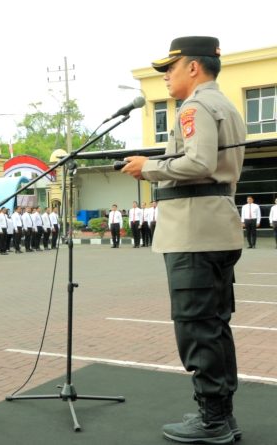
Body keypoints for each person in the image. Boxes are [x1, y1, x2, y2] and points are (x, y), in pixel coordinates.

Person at [122, 36, 245, 444]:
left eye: (171, 69)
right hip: (214, 227)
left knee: (196, 326)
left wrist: (149, 166)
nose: (167, 78)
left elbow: (199, 162)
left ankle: (211, 419)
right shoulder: (225, 104)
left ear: (194, 67)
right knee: (214, 325)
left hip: (195, 232)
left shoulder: (195, 107)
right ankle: (222, 415)